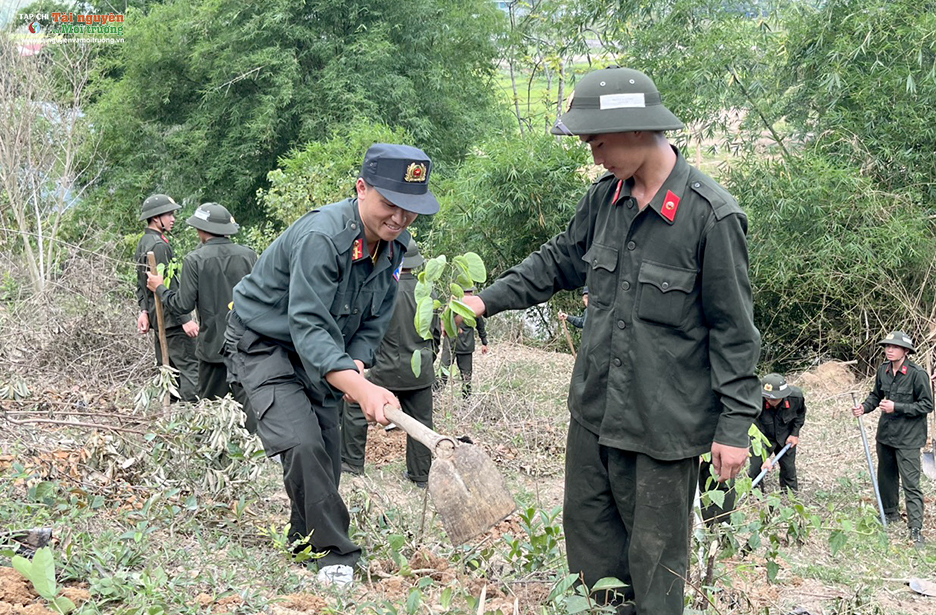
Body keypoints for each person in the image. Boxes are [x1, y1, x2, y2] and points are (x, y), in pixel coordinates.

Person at [460, 67, 761, 613]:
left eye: (598, 140)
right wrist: (486, 299)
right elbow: (556, 262)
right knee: (592, 559)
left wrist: (735, 426)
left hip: (662, 430)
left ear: (638, 130)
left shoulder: (710, 217)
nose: (594, 154)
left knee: (655, 567)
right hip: (594, 418)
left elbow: (735, 332)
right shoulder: (605, 201)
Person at [222, 143, 439, 587]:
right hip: (264, 344)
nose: (399, 218)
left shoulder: (395, 248)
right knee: (301, 443)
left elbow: (373, 322)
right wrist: (362, 391)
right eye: (389, 204)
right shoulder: (323, 238)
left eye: (410, 210)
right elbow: (309, 327)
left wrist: (356, 367)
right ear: (362, 188)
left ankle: (302, 538)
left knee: (326, 450)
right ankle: (334, 553)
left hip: (325, 355)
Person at [340, 238, 441, 487]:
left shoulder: (380, 287)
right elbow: (436, 336)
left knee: (354, 409)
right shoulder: (428, 293)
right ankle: (420, 476)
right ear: (416, 264)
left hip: (381, 371)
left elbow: (361, 332)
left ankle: (352, 464)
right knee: (421, 422)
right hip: (419, 371)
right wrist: (428, 360)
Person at [145, 203, 258, 425]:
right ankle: (250, 455)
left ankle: (215, 455)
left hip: (213, 349)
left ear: (202, 230)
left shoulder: (195, 260)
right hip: (248, 347)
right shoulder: (249, 256)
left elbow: (182, 305)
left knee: (212, 412)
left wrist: (160, 287)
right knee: (249, 412)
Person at [852, 330, 931, 547]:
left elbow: (927, 405)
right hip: (885, 435)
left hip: (909, 438)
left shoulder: (917, 374)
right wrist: (864, 408)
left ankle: (915, 529)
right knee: (886, 477)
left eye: (894, 347)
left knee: (911, 484)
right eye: (887, 346)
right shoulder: (883, 370)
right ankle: (889, 513)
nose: (889, 350)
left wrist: (897, 406)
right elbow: (875, 395)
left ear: (906, 351)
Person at [134, 194, 199, 402]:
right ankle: (192, 416)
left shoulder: (144, 242)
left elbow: (141, 285)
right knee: (190, 369)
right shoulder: (159, 246)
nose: (173, 219)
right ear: (155, 218)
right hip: (171, 319)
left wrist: (144, 311)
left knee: (169, 370)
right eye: (169, 214)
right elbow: (167, 284)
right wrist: (185, 319)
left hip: (159, 317)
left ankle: (175, 419)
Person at [750, 373, 806, 493]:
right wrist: (764, 457)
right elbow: (754, 429)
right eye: (768, 398)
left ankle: (790, 497)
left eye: (775, 399)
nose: (771, 401)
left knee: (788, 469)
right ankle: (756, 497)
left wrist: (794, 433)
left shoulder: (796, 398)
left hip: (786, 436)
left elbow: (800, 414)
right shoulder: (754, 401)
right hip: (763, 437)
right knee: (755, 468)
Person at [437, 287, 488, 399]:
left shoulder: (474, 308)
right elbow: (443, 321)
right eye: (467, 292)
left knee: (466, 376)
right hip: (450, 345)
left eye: (470, 292)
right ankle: (435, 396)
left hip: (466, 346)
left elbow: (480, 326)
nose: (469, 295)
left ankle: (466, 400)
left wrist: (484, 342)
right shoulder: (452, 306)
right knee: (443, 372)